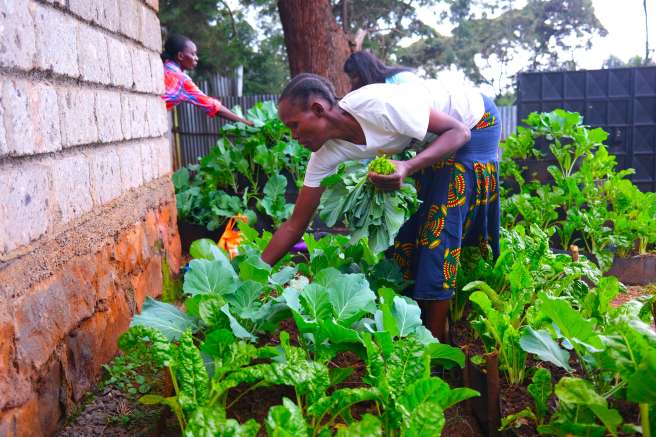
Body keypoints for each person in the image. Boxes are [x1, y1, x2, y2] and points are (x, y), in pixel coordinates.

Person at [261, 73, 501, 343]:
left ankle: (431, 350)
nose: (293, 136)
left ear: (318, 109)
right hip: (435, 139)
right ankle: (414, 328)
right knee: (407, 234)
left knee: (438, 229)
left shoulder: (377, 104)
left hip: (474, 121)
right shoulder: (325, 154)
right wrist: (252, 274)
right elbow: (295, 224)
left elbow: (459, 132)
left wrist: (408, 166)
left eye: (294, 126)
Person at [161, 34, 252, 125]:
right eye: (193, 54)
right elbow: (212, 106)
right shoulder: (181, 80)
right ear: (180, 56)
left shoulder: (165, 66)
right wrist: (247, 123)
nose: (196, 58)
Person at [343, 51, 419, 90]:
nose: (351, 81)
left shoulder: (403, 78)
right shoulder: (368, 90)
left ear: (365, 73)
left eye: (353, 77)